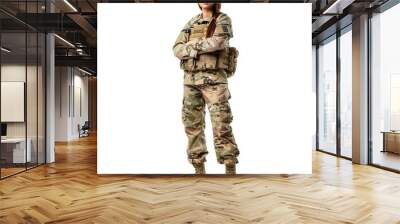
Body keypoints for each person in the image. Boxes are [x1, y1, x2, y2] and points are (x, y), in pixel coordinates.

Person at [172, 3, 239, 175]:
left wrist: (192, 46)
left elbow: (218, 42)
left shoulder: (222, 19)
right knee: (191, 124)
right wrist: (200, 45)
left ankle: (229, 166)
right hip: (190, 80)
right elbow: (177, 49)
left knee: (221, 123)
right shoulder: (191, 22)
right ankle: (198, 167)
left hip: (215, 80)